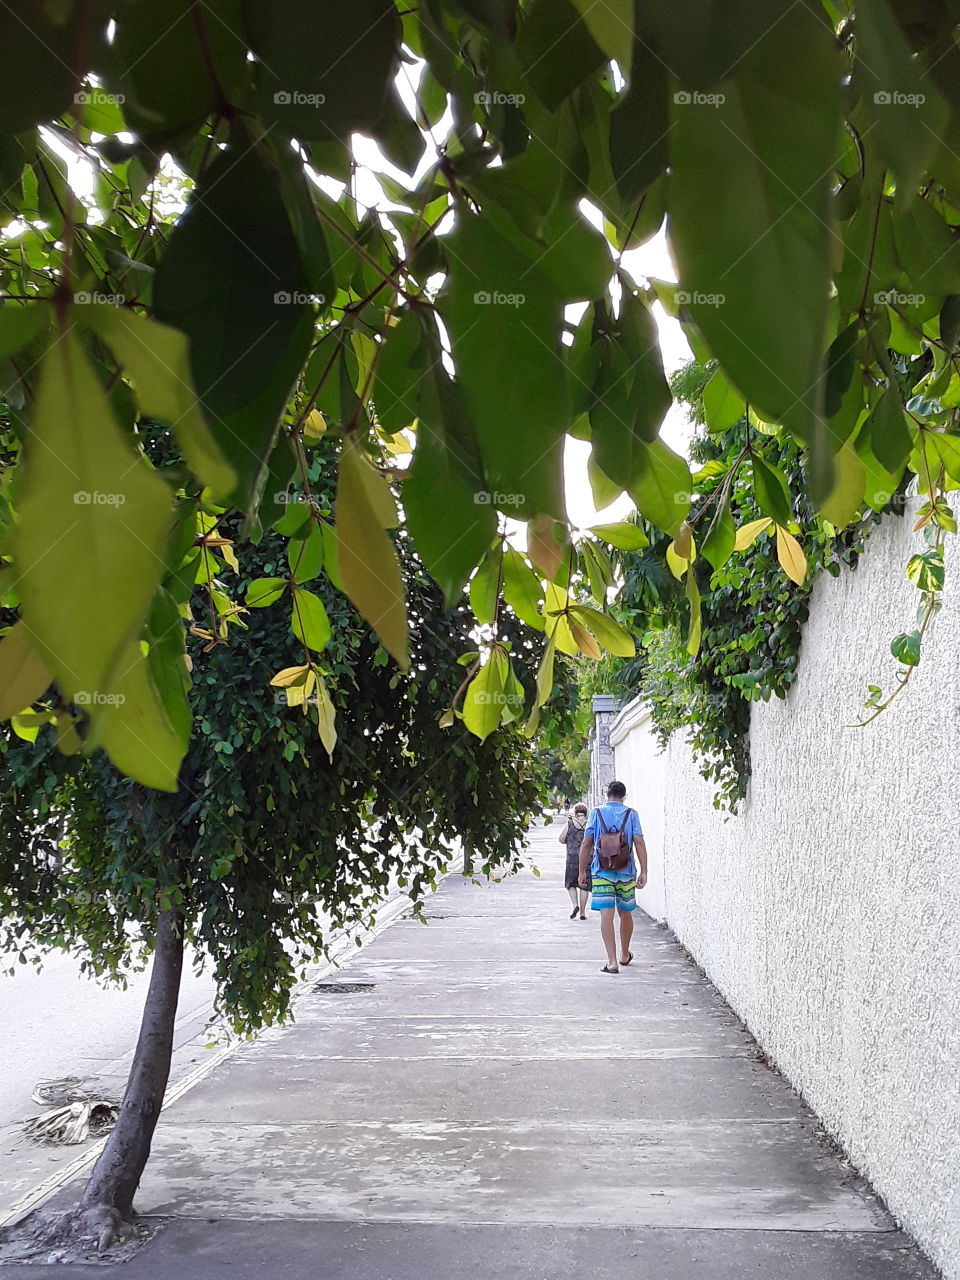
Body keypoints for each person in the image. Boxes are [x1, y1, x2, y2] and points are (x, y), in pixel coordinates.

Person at [579, 781, 648, 974]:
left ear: (606, 795)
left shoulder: (596, 813)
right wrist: (644, 870)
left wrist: (582, 871)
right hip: (626, 871)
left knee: (606, 915)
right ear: (624, 796)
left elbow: (586, 843)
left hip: (601, 871)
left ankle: (611, 961)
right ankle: (624, 953)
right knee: (625, 912)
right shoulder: (631, 814)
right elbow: (639, 842)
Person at [559, 803, 589, 919]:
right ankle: (582, 912)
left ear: (575, 813)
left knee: (571, 884)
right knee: (584, 885)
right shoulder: (589, 824)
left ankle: (575, 904)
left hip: (572, 857)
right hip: (587, 858)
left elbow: (561, 839)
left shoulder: (570, 823)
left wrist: (570, 839)